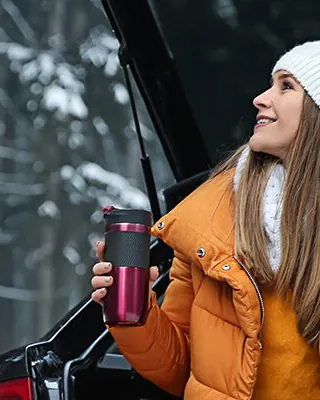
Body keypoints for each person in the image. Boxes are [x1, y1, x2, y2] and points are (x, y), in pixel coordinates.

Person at [91, 40, 320, 399]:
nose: (261, 98)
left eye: (286, 86)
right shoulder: (208, 223)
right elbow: (179, 366)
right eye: (270, 83)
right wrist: (133, 312)